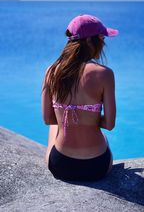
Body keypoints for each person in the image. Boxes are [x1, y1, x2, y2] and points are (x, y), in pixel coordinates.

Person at [42, 14, 118, 182]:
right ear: (91, 41)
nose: (103, 43)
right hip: (97, 166)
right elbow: (110, 125)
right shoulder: (105, 74)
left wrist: (70, 116)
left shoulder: (51, 71)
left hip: (61, 165)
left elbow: (48, 119)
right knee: (102, 137)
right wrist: (87, 119)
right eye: (102, 38)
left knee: (55, 127)